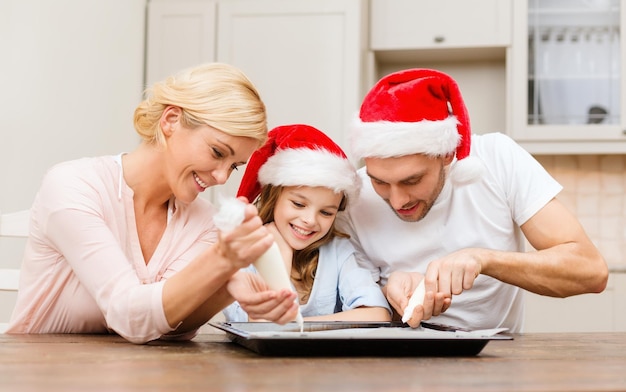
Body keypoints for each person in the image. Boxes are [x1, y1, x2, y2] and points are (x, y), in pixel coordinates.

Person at [7, 62, 299, 343]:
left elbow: (165, 328)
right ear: (171, 120)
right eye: (217, 152)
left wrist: (225, 287)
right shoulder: (74, 185)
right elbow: (128, 316)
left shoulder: (204, 222)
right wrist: (221, 263)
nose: (222, 177)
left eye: (234, 166)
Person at [335, 68, 608, 332]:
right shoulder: (356, 198)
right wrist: (390, 296)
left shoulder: (498, 159)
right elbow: (349, 309)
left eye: (412, 181)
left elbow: (590, 271)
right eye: (380, 182)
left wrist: (483, 260)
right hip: (393, 365)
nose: (397, 200)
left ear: (447, 154)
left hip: (494, 360)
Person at [222, 124, 391, 323]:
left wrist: (298, 324)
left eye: (326, 212)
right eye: (299, 204)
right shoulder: (241, 256)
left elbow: (377, 315)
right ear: (274, 196)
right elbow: (261, 326)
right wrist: (281, 257)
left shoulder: (338, 251)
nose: (310, 220)